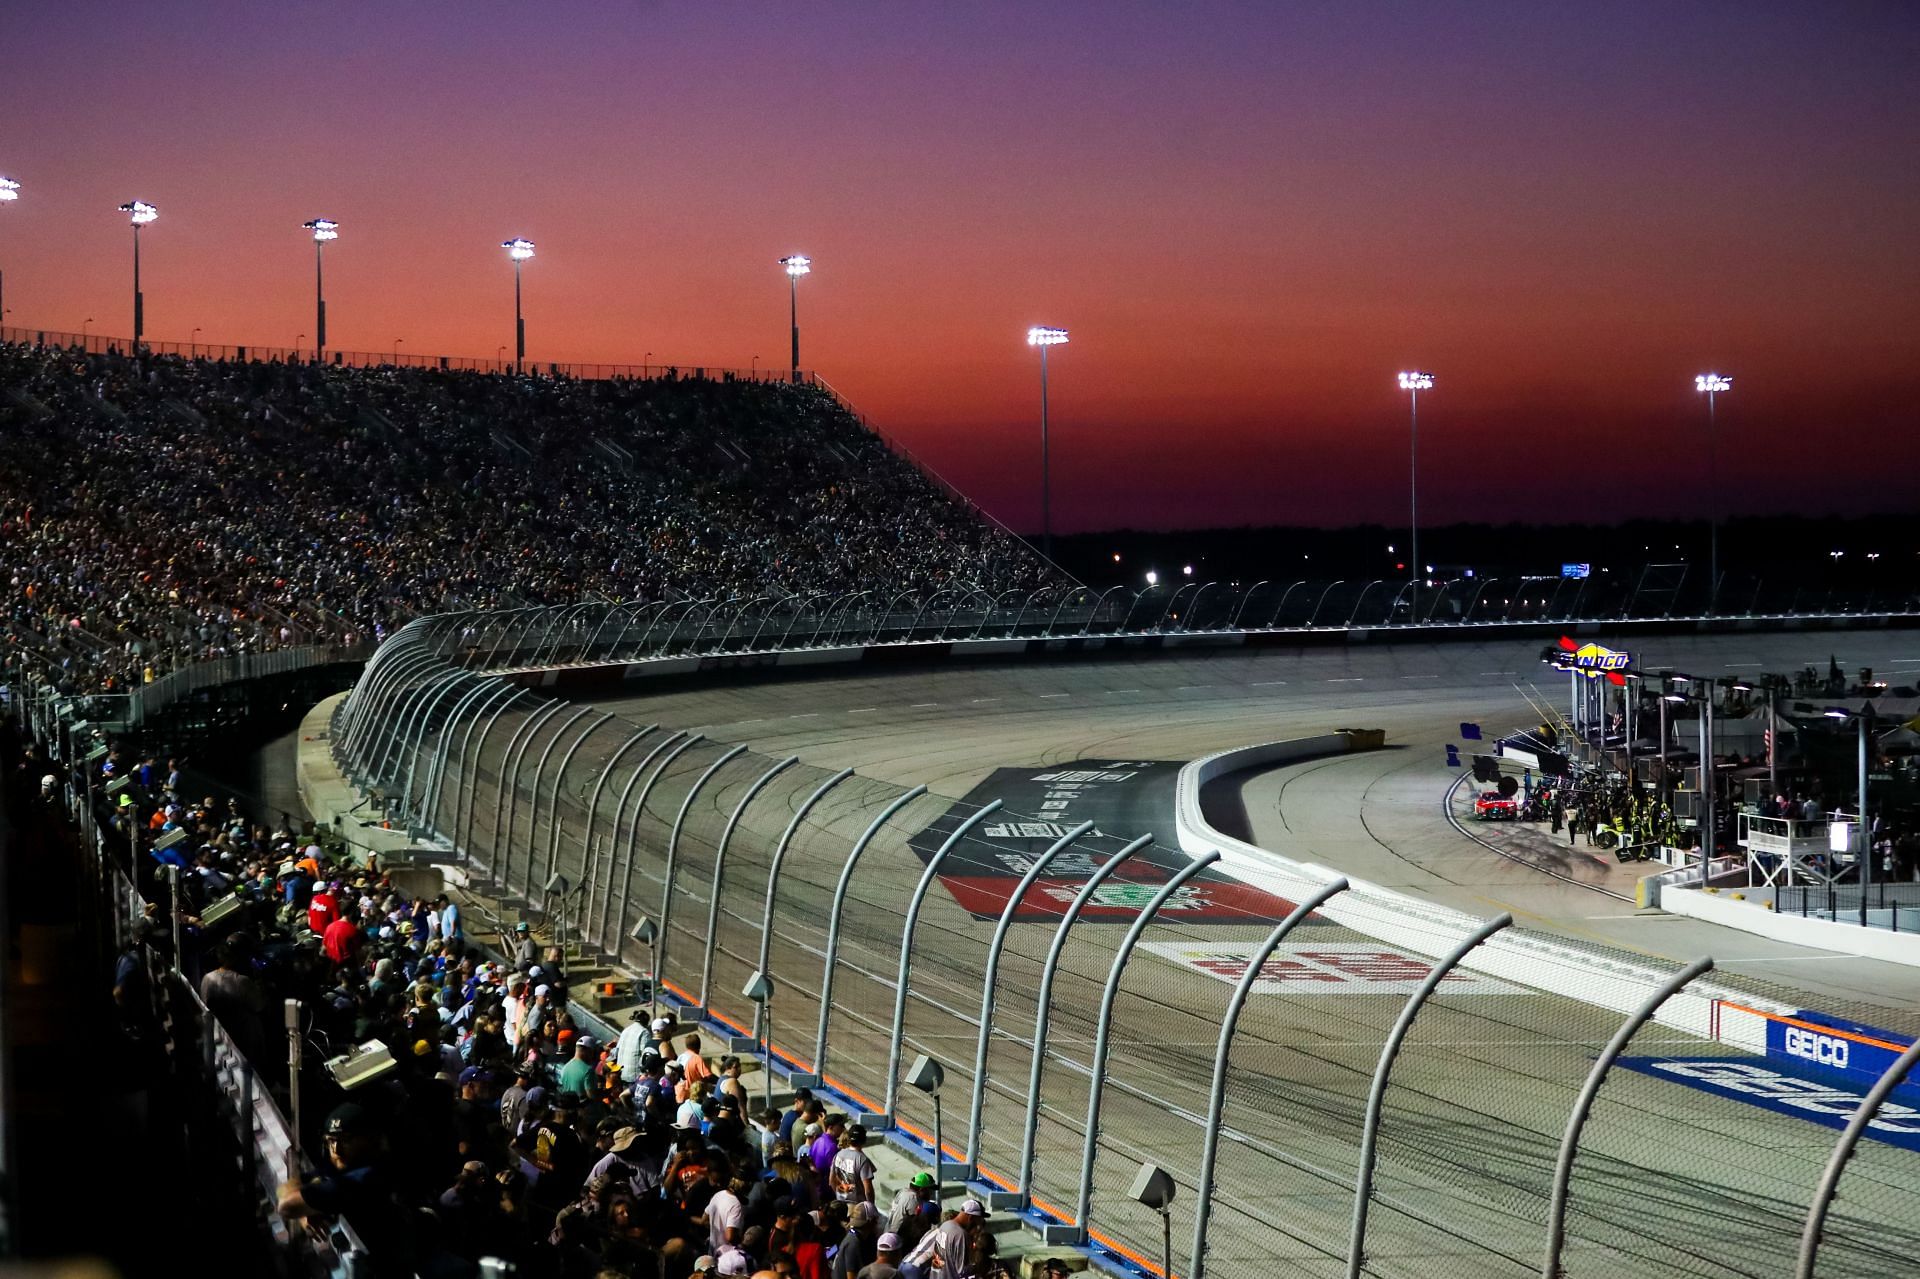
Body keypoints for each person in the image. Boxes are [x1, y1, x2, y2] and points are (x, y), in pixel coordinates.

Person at [901, 1198, 985, 1279]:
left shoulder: (945, 1226)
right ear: (971, 1218)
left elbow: (940, 1260)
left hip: (909, 1264)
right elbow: (962, 1271)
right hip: (917, 1269)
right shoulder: (960, 1235)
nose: (978, 1224)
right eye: (978, 1220)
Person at [829, 1124, 877, 1205]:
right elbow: (868, 1190)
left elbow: (831, 1181)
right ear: (864, 1140)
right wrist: (871, 1207)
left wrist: (839, 1196)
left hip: (841, 1204)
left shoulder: (838, 1154)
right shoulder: (862, 1159)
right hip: (857, 1207)